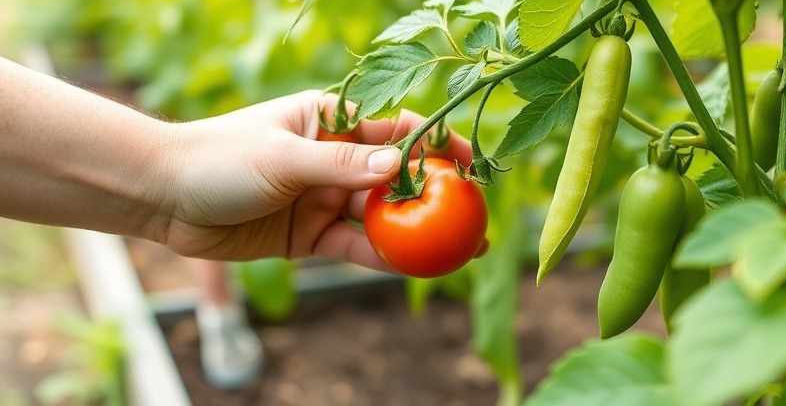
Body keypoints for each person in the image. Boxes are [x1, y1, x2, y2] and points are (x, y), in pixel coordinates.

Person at [0, 53, 475, 387]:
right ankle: (219, 310)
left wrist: (166, 184)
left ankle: (220, 314)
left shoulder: (394, 195)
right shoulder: (415, 183)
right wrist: (165, 182)